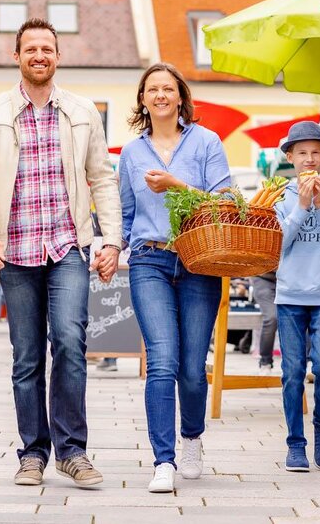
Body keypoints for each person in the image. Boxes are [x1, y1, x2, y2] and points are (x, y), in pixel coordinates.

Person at [0, 18, 122, 488]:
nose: (39, 55)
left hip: (68, 245)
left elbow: (103, 177)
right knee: (27, 355)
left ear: (58, 56)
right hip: (15, 250)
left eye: (47, 49)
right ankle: (32, 452)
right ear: (16, 56)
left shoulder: (81, 111)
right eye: (30, 48)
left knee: (71, 344)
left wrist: (111, 238)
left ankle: (72, 451)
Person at [118, 62, 232, 493]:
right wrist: (111, 247)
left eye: (168, 89)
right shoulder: (132, 153)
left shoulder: (206, 142)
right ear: (143, 100)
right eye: (153, 90)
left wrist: (177, 186)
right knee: (161, 362)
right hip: (150, 260)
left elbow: (226, 202)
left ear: (181, 97)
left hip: (200, 260)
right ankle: (162, 460)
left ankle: (193, 438)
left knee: (191, 368)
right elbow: (125, 213)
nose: (161, 96)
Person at [272, 121, 320, 472]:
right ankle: (295, 443)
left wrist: (319, 204)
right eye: (301, 152)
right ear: (290, 157)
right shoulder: (278, 197)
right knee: (292, 372)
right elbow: (279, 244)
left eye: (315, 152)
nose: (309, 158)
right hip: (289, 294)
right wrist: (302, 205)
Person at [251, 272, 278, 374]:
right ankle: (265, 361)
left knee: (303, 315)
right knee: (272, 317)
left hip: (291, 277)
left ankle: (307, 360)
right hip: (263, 276)